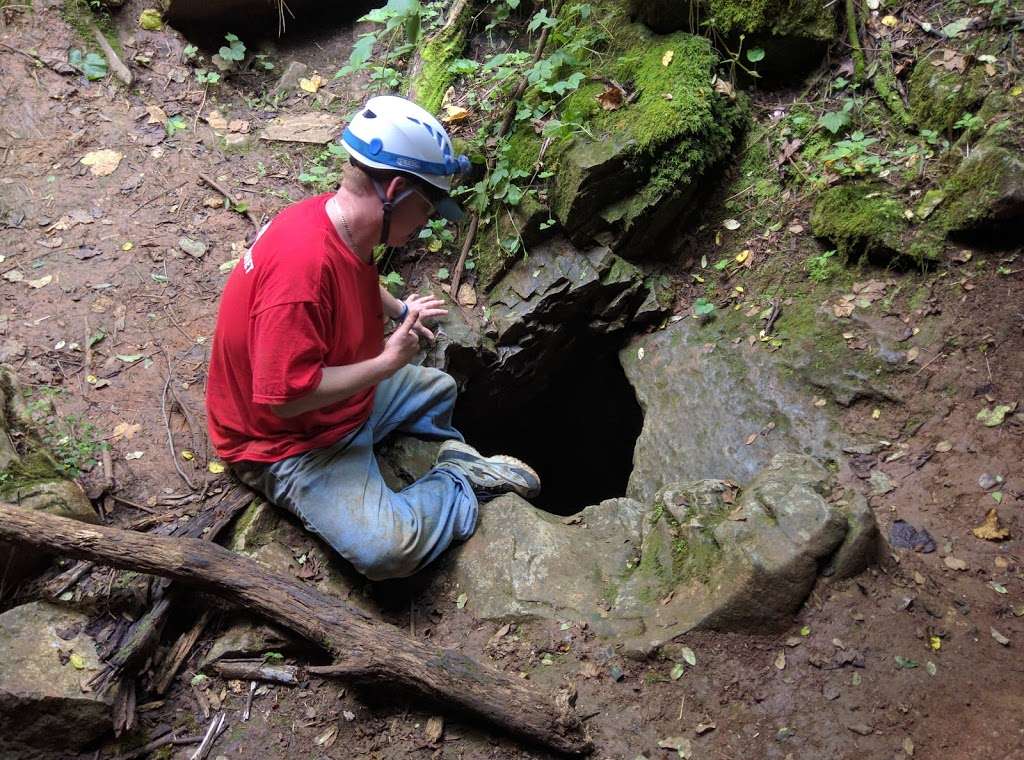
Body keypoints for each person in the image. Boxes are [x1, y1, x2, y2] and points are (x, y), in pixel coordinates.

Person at [206, 95, 540, 581]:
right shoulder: (299, 273)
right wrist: (386, 362)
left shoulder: (333, 219)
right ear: (396, 190)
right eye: (426, 208)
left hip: (340, 405)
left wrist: (400, 309)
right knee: (388, 552)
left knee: (438, 389)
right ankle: (457, 483)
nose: (426, 224)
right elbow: (285, 400)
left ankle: (437, 452)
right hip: (286, 441)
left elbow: (355, 271)